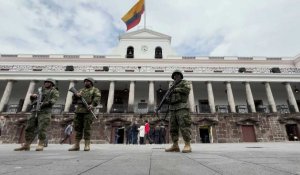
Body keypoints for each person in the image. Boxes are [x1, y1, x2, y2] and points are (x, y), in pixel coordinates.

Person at [14, 78, 59, 151]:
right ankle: (27, 144)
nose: (46, 83)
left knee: (42, 128)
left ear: (52, 84)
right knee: (29, 127)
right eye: (46, 82)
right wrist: (33, 97)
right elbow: (33, 101)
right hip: (35, 111)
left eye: (48, 82)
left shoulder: (54, 91)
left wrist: (46, 103)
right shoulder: (40, 90)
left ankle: (41, 144)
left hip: (45, 111)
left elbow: (54, 100)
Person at [68, 77, 100, 151]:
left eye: (88, 81)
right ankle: (76, 145)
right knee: (77, 128)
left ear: (91, 83)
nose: (86, 82)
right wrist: (76, 95)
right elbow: (74, 101)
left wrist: (92, 105)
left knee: (87, 128)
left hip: (88, 111)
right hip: (79, 111)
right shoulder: (80, 90)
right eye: (85, 81)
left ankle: (87, 144)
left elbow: (97, 98)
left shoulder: (95, 90)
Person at [165, 70, 192, 153]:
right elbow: (170, 97)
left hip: (182, 107)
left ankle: (187, 144)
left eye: (177, 75)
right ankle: (175, 145)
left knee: (184, 126)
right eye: (174, 76)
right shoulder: (171, 86)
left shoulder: (185, 82)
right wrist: (167, 98)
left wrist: (176, 89)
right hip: (173, 108)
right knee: (173, 127)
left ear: (180, 76)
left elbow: (187, 90)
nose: (175, 77)